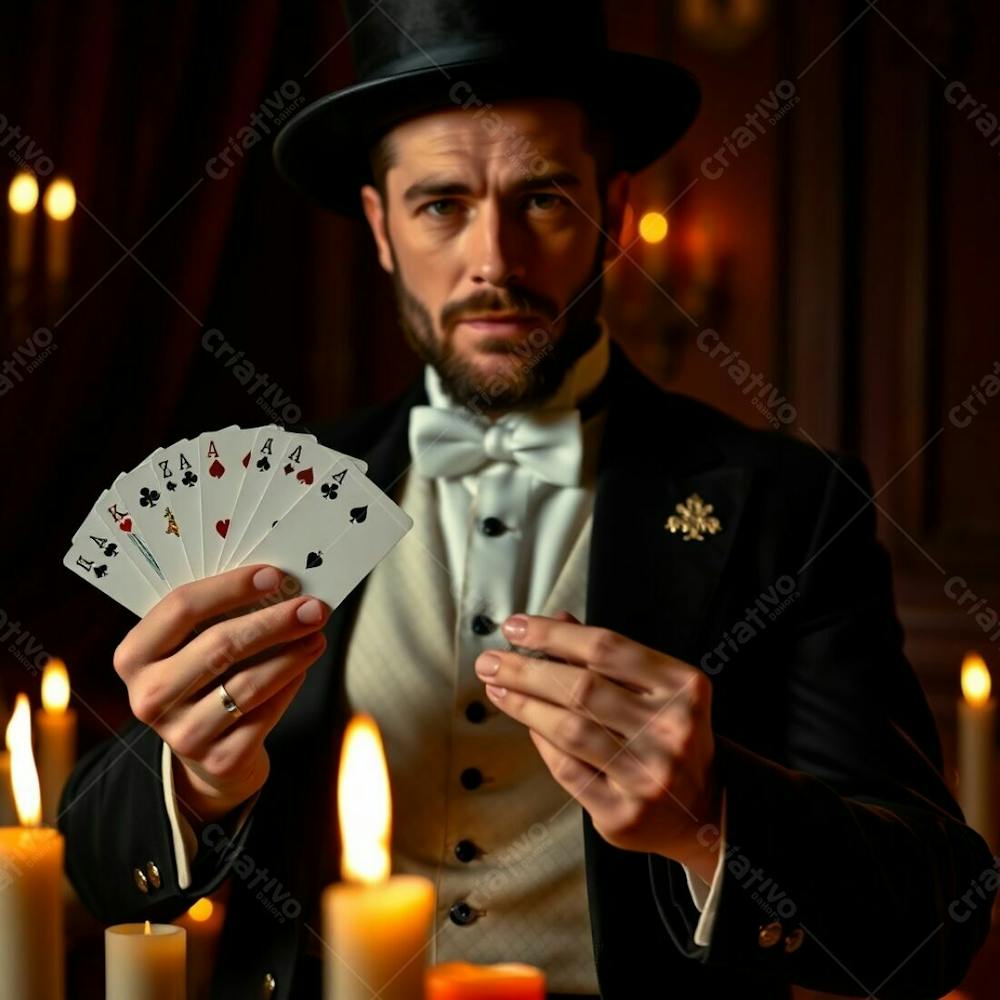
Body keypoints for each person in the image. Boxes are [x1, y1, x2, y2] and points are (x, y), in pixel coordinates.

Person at [60, 2, 996, 998]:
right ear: (379, 226)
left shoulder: (788, 504)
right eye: (440, 205)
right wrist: (192, 780)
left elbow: (934, 919)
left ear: (612, 205)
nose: (494, 261)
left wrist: (717, 811)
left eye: (542, 198)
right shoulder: (284, 497)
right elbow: (101, 868)